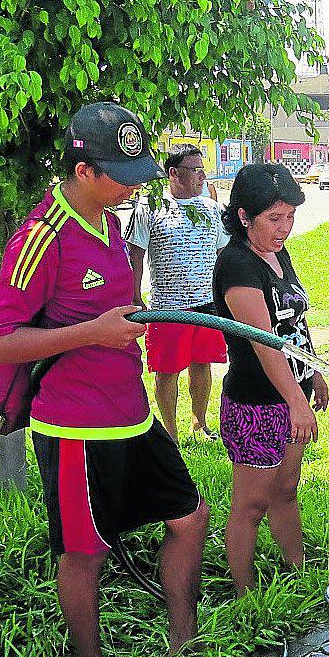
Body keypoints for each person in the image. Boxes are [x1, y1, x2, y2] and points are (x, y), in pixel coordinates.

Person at [0, 102, 210, 657]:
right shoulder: (41, 238)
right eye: (119, 175)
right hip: (74, 425)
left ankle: (184, 640)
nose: (132, 186)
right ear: (82, 171)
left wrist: (127, 321)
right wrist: (92, 332)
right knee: (85, 552)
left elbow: (110, 306)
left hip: (132, 414)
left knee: (190, 517)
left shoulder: (111, 222)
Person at [212, 163, 329, 596]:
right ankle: (243, 593)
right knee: (251, 503)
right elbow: (265, 344)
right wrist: (296, 402)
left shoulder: (277, 252)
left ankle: (298, 572)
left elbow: (294, 321)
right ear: (244, 216)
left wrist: (314, 371)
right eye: (274, 218)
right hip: (257, 405)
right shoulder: (237, 265)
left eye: (291, 216)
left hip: (291, 395)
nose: (285, 228)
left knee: (286, 490)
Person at [126, 143, 230, 442]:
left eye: (202, 170)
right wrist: (135, 295)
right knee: (167, 370)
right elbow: (135, 254)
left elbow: (222, 253)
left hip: (207, 304)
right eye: (195, 170)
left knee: (203, 363)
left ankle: (200, 423)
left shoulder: (211, 209)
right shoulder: (150, 207)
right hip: (168, 307)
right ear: (173, 173)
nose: (201, 177)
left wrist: (225, 294)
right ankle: (170, 433)